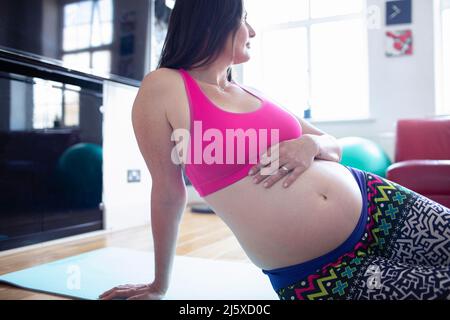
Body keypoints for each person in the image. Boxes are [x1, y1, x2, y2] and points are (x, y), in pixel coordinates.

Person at [99, 0, 450, 300]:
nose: (252, 31)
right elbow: (167, 191)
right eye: (244, 18)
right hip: (323, 272)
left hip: (379, 204)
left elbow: (333, 145)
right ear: (212, 19)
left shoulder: (254, 93)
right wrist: (160, 284)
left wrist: (309, 143)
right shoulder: (164, 85)